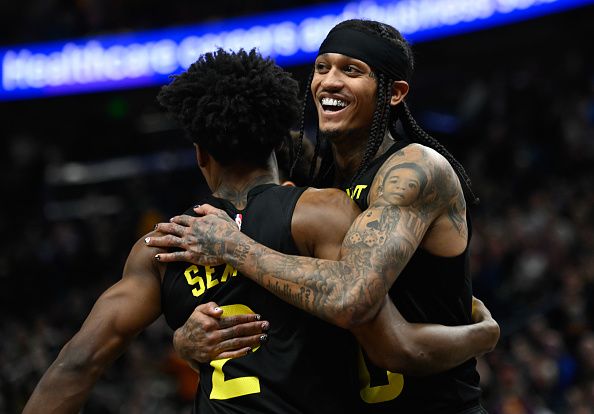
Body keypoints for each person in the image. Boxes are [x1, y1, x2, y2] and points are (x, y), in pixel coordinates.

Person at [23, 47, 496, 414]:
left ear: (199, 155)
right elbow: (393, 345)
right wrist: (482, 334)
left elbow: (76, 365)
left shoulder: (161, 247)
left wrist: (182, 341)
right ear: (279, 140)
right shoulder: (325, 214)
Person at [147, 19, 493, 413]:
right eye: (322, 67)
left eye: (351, 70)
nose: (329, 81)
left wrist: (234, 246)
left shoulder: (413, 170)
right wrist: (185, 339)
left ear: (394, 93)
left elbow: (351, 298)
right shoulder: (312, 174)